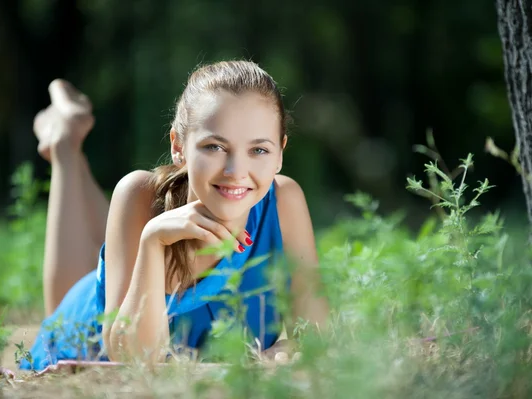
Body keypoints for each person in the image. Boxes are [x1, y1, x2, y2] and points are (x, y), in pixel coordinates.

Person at [19, 60, 329, 371]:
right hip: (87, 334)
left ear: (280, 153)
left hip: (119, 281)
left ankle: (68, 140)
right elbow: (133, 361)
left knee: (111, 255)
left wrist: (293, 347)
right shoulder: (138, 193)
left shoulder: (283, 202)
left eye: (258, 150)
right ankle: (64, 145)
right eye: (214, 147)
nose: (236, 172)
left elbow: (316, 336)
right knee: (61, 305)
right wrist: (152, 243)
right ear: (178, 146)